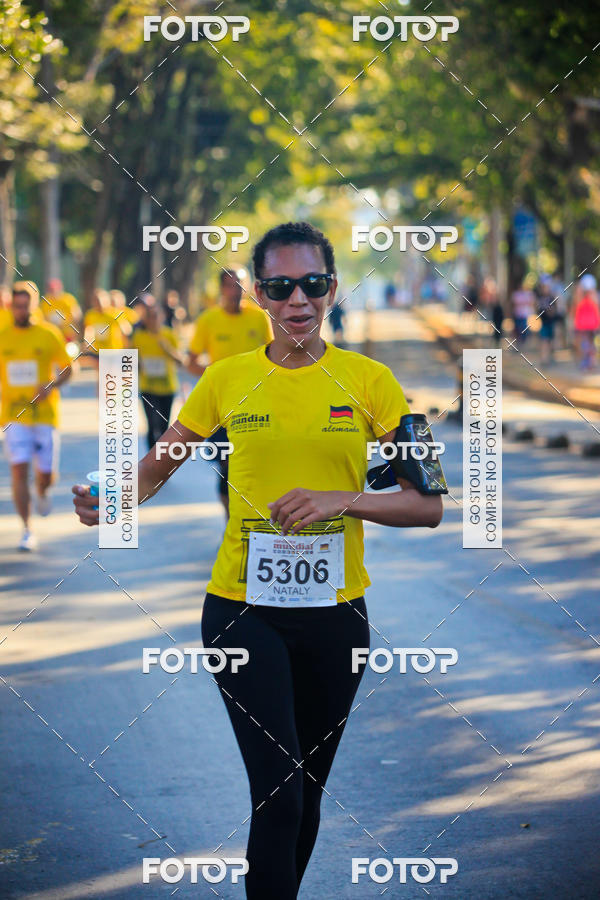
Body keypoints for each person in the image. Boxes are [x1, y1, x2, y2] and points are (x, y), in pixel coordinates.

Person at [73, 221, 443, 899]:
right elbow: (159, 465)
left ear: (332, 288)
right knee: (280, 790)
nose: (298, 299)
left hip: (337, 618)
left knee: (307, 790)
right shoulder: (226, 378)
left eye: (313, 283)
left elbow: (430, 504)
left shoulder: (375, 381)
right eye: (280, 286)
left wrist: (344, 499)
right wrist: (112, 499)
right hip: (244, 614)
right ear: (261, 297)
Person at [187, 268, 272, 516]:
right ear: (221, 289)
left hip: (257, 405)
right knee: (227, 465)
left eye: (240, 285)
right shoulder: (208, 320)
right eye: (230, 285)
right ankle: (230, 520)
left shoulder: (258, 318)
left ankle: (253, 516)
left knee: (253, 465)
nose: (235, 291)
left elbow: (274, 356)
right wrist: (219, 378)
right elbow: (191, 362)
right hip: (222, 407)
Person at [1, 281, 72, 550]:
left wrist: (52, 385)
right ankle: (27, 529)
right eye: (16, 306)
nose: (21, 311)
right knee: (18, 471)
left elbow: (68, 369)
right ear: (11, 307)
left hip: (44, 414)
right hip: (13, 416)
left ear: (34, 305)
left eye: (26, 306)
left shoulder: (49, 334)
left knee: (46, 475)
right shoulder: (3, 335)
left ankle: (42, 489)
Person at [131, 304, 184, 448]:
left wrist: (168, 350)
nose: (153, 320)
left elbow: (181, 361)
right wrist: (138, 364)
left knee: (163, 426)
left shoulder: (169, 335)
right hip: (148, 388)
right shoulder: (139, 336)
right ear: (145, 319)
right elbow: (131, 358)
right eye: (150, 317)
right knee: (152, 424)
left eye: (156, 316)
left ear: (161, 318)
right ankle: (152, 459)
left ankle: (161, 458)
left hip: (168, 388)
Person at [83, 288, 124, 355]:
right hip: (98, 352)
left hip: (113, 351)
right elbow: (88, 330)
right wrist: (87, 342)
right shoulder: (90, 315)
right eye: (96, 301)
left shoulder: (115, 313)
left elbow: (125, 331)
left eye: (100, 300)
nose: (98, 303)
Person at [41, 277, 82, 342]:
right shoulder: (45, 301)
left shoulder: (68, 299)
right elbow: (43, 317)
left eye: (54, 289)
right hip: (52, 334)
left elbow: (76, 316)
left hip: (67, 334)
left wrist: (64, 323)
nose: (53, 292)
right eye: (51, 290)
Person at [573, 274, 600, 370]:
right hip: (582, 325)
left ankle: (590, 362)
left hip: (592, 325)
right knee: (583, 344)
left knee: (591, 344)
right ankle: (585, 362)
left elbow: (597, 308)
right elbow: (576, 305)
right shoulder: (579, 295)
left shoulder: (594, 295)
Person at [535, 277, 557, 364]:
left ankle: (550, 357)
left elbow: (555, 310)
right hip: (543, 323)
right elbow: (537, 310)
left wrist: (550, 310)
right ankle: (544, 358)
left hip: (550, 322)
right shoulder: (539, 298)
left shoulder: (552, 297)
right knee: (544, 340)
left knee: (550, 341)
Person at [511, 280, 535, 346]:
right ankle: (518, 341)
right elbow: (515, 304)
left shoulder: (528, 294)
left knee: (524, 328)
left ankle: (523, 341)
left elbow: (531, 303)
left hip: (525, 315)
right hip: (517, 314)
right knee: (517, 328)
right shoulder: (516, 294)